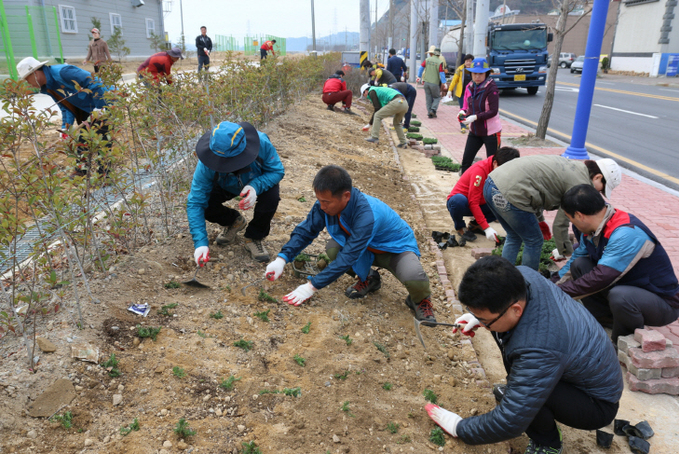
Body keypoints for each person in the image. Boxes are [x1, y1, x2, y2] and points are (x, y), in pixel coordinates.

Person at [426, 255, 623, 454]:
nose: (483, 324)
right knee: (522, 376)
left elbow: (509, 422)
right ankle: (522, 391)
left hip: (596, 403)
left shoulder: (539, 347)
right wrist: (479, 317)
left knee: (527, 395)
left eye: (485, 319)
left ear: (515, 310)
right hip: (573, 366)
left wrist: (459, 428)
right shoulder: (522, 277)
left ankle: (548, 444)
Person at [264, 165, 436, 323]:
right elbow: (307, 230)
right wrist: (282, 258)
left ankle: (420, 300)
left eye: (326, 202)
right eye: (319, 200)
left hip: (394, 249)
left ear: (346, 196)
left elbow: (348, 257)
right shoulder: (325, 205)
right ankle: (369, 279)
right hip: (364, 246)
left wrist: (311, 287)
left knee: (414, 276)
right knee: (333, 249)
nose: (321, 206)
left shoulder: (367, 215)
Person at [556, 184, 679, 343]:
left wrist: (557, 293)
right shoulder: (591, 228)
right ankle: (605, 319)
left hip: (661, 303)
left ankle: (620, 342)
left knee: (620, 296)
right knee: (580, 264)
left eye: (569, 216)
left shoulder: (626, 233)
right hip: (626, 286)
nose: (570, 221)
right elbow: (576, 258)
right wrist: (552, 284)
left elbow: (602, 277)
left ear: (579, 215)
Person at [483, 155, 621, 271]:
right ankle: (527, 285)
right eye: (601, 190)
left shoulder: (574, 167)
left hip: (492, 183)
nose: (598, 193)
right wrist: (564, 251)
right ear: (597, 177)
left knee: (514, 236)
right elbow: (560, 224)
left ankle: (501, 277)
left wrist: (540, 220)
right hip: (510, 192)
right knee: (534, 240)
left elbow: (537, 187)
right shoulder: (579, 185)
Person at [187, 121, 285, 264]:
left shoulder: (262, 144)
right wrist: (200, 243)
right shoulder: (207, 162)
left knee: (272, 197)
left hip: (255, 180)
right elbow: (195, 201)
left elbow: (277, 170)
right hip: (225, 185)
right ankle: (233, 221)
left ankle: (254, 236)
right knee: (205, 204)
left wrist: (255, 187)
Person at [17, 56, 113, 176]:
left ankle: (104, 176)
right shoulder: (48, 87)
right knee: (83, 139)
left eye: (27, 79)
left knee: (102, 138)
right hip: (89, 108)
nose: (28, 83)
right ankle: (81, 172)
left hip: (107, 100)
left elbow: (94, 82)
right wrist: (65, 128)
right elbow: (65, 106)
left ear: (35, 73)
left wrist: (100, 107)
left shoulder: (63, 73)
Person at [446, 147, 520, 243]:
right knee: (458, 201)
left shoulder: (501, 170)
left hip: (482, 203)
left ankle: (475, 225)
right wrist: (486, 228)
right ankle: (460, 226)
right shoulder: (480, 171)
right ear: (495, 163)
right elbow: (473, 202)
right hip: (464, 203)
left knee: (502, 202)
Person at [458, 57, 501, 174]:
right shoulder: (470, 86)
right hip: (475, 131)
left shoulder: (492, 88)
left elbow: (493, 111)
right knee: (466, 161)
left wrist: (476, 117)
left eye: (480, 74)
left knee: (493, 164)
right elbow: (466, 106)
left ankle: (491, 189)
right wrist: (463, 112)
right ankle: (464, 188)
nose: (477, 76)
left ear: (486, 73)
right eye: (474, 73)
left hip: (491, 132)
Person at [447, 54, 474, 133]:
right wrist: (450, 90)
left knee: (470, 110)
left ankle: (466, 123)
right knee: (463, 110)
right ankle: (462, 126)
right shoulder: (460, 69)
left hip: (472, 94)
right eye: (467, 61)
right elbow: (454, 80)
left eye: (470, 61)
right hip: (461, 93)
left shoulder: (475, 70)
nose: (468, 63)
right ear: (464, 62)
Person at [416, 47, 446, 118]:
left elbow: (421, 68)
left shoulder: (427, 60)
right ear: (439, 55)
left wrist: (419, 77)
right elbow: (441, 73)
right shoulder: (439, 62)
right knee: (437, 97)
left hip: (426, 82)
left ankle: (429, 113)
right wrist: (444, 82)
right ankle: (433, 110)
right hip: (434, 83)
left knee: (428, 98)